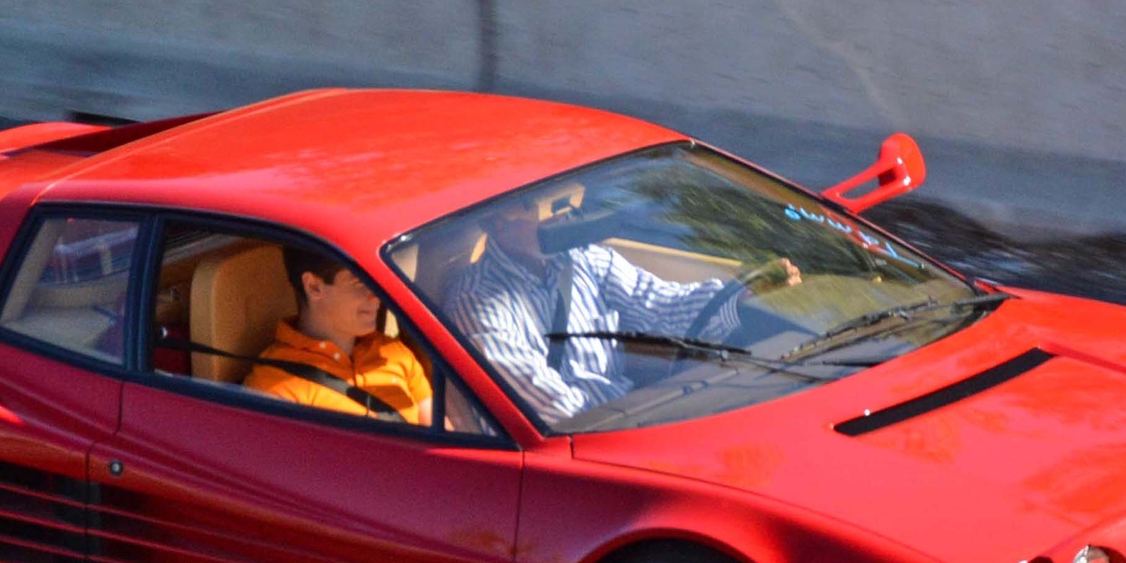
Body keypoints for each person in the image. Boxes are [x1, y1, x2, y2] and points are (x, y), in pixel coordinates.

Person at [445, 194, 797, 424]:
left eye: (559, 202)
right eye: (532, 205)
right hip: (574, 454)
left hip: (624, 415)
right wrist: (645, 430)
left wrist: (742, 296)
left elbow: (661, 305)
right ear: (495, 222)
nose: (557, 215)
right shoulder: (478, 305)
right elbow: (548, 408)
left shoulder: (581, 258)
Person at [243, 245, 433, 425]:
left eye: (374, 280)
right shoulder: (275, 384)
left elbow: (443, 441)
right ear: (314, 287)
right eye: (360, 283)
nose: (376, 295)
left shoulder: (394, 353)